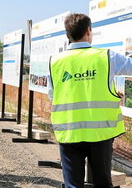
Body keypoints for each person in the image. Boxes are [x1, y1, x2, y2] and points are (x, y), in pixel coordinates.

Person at [48, 13, 132, 188]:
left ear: (67, 34)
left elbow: (52, 95)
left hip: (69, 132)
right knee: (102, 183)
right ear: (88, 31)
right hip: (100, 134)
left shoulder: (55, 61)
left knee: (72, 185)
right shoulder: (107, 56)